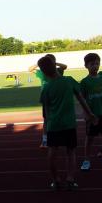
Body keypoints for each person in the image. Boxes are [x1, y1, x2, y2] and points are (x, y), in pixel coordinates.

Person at [38, 55, 95, 191]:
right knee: (71, 153)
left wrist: (49, 122)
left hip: (54, 126)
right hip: (69, 124)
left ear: (43, 72)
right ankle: (70, 179)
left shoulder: (46, 88)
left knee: (52, 154)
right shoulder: (69, 81)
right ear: (55, 66)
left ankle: (56, 180)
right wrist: (90, 113)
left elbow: (45, 112)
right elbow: (81, 99)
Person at [79, 53, 102, 171]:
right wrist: (86, 114)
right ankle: (87, 160)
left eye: (97, 63)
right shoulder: (84, 82)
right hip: (92, 116)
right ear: (86, 66)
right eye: (92, 64)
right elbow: (82, 99)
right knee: (89, 139)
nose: (95, 66)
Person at [29, 54, 68, 148]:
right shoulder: (42, 72)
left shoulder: (58, 70)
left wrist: (54, 63)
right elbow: (30, 69)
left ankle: (60, 137)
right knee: (47, 120)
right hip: (46, 99)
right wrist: (40, 63)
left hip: (57, 97)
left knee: (59, 118)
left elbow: (64, 66)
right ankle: (45, 140)